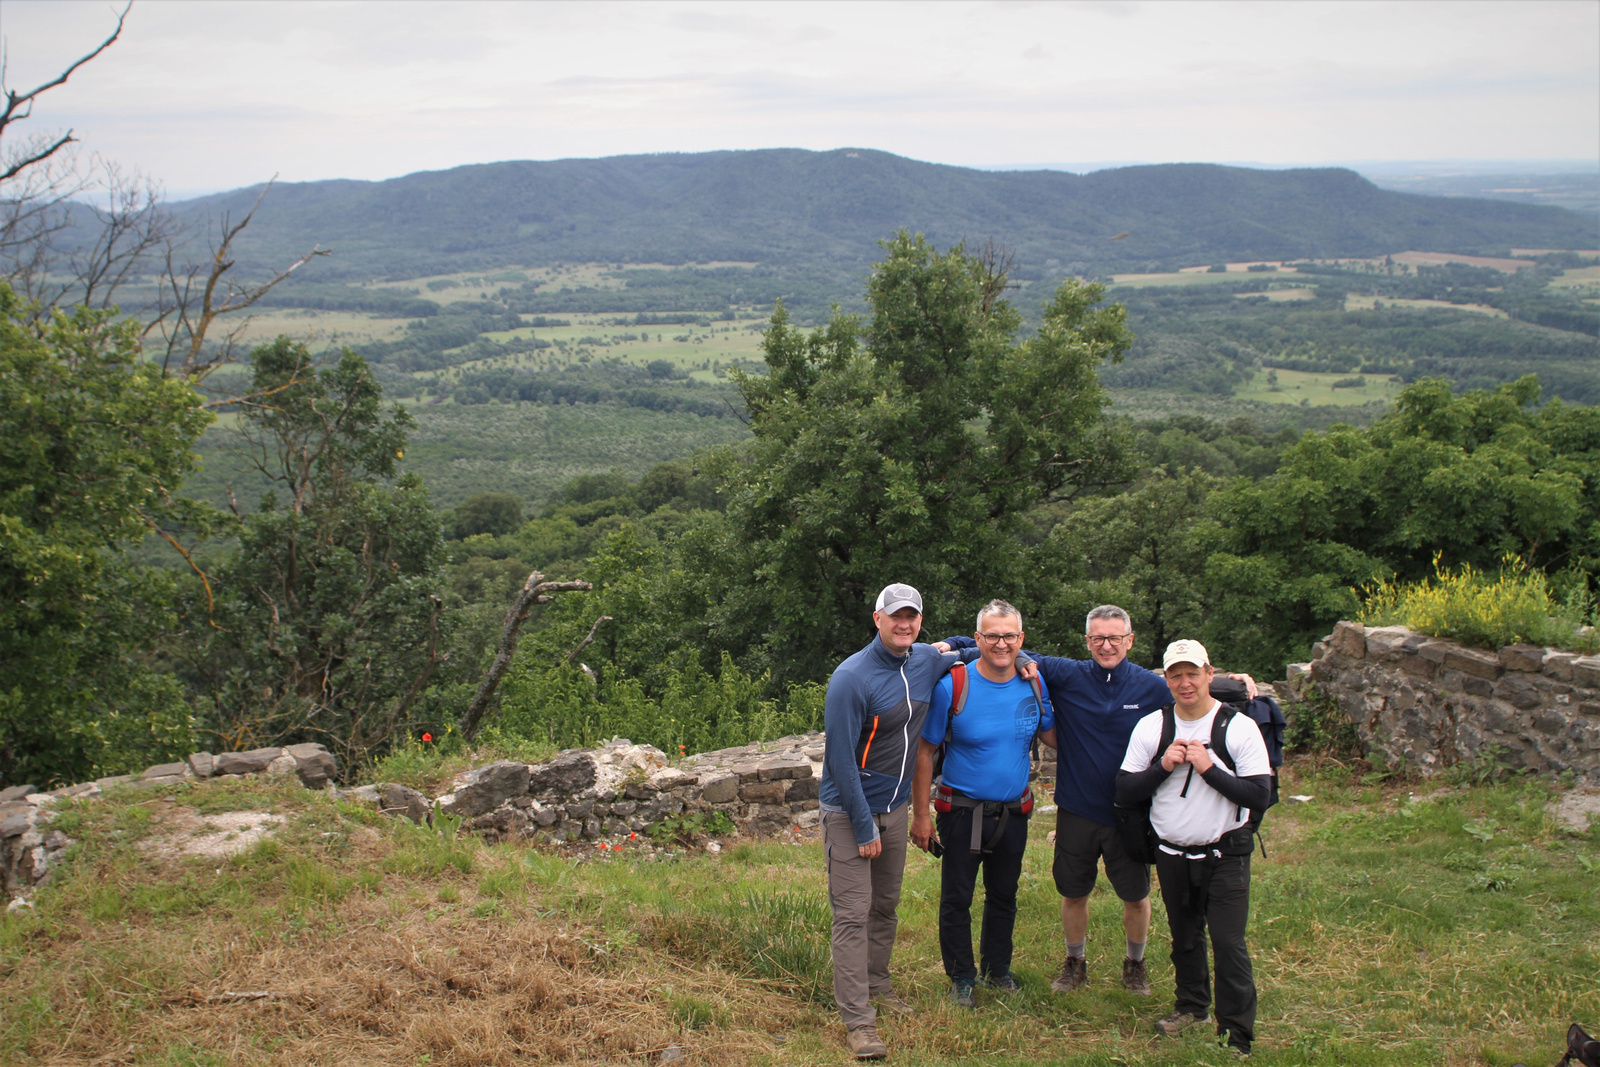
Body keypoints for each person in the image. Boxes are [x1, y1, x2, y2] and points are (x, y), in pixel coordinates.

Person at [936, 604, 1254, 996]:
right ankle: (1075, 963)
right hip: (1077, 806)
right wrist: (953, 644)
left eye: (1115, 638)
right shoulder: (1068, 674)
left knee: (1136, 895)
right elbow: (999, 647)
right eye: (1098, 638)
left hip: (1131, 810)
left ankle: (1135, 964)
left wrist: (1236, 682)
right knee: (1074, 891)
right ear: (1087, 641)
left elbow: (1190, 685)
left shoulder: (1150, 687)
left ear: (1130, 640)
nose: (1107, 646)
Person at [819, 582, 958, 1061]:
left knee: (886, 905)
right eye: (895, 616)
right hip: (849, 811)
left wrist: (1024, 660)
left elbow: (975, 645)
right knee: (854, 914)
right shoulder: (851, 678)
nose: (904, 624)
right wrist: (863, 827)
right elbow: (837, 758)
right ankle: (859, 1021)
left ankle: (879, 985)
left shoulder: (923, 660)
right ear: (876, 619)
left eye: (912, 617)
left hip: (895, 810)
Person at [1116, 639, 1271, 1057]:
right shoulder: (1153, 726)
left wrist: (1208, 768)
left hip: (1225, 851)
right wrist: (1164, 766)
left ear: (1209, 673)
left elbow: (1260, 795)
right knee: (1184, 936)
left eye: (1192, 673)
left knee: (1227, 941)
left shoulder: (1237, 727)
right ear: (1166, 680)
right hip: (1171, 850)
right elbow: (1125, 789)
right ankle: (1192, 1007)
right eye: (1176, 675)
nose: (1185, 683)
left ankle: (1236, 1034)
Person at [909, 600, 1057, 1008]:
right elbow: (925, 752)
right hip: (961, 811)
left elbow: (1051, 736)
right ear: (977, 639)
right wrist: (921, 815)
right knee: (957, 897)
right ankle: (961, 978)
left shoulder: (1033, 683)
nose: (1001, 643)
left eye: (1009, 635)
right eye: (991, 635)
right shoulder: (953, 685)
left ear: (1021, 639)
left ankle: (998, 971)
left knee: (1004, 896)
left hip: (1014, 811)